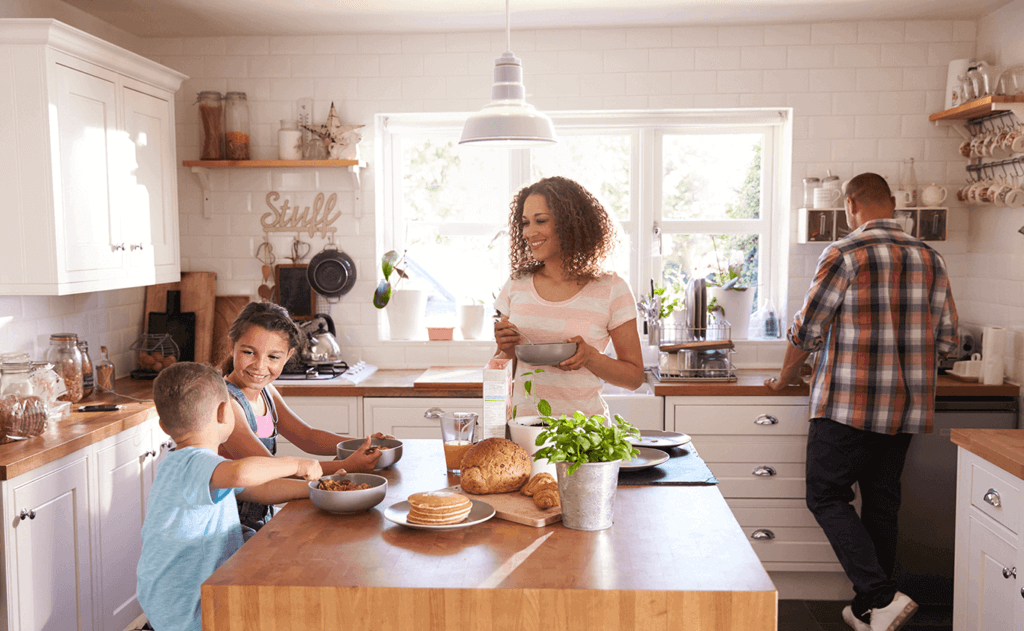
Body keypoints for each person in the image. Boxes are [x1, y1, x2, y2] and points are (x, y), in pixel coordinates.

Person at [766, 173, 958, 631]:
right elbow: (947, 342)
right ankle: (871, 611)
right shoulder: (930, 257)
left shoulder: (844, 253)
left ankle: (879, 595)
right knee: (881, 503)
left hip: (847, 404)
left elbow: (807, 330)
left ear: (851, 205)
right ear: (892, 205)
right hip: (905, 407)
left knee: (826, 496)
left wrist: (786, 375)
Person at [137, 362, 321, 631]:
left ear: (164, 426)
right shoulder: (196, 463)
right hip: (188, 605)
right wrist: (296, 464)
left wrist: (318, 490)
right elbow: (242, 472)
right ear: (225, 412)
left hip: (168, 598)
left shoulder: (186, 466)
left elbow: (264, 490)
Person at [219, 301, 387, 531]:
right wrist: (348, 465)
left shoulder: (267, 392)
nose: (260, 366)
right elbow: (269, 469)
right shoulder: (226, 403)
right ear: (232, 346)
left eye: (273, 357)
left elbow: (306, 435)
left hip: (261, 517)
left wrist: (359, 445)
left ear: (288, 356)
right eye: (249, 352)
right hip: (230, 526)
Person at [493, 176, 645, 419]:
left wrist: (591, 357)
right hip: (525, 433)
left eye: (540, 221)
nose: (529, 232)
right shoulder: (516, 285)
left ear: (570, 224)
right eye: (525, 223)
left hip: (584, 437)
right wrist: (505, 349)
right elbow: (503, 372)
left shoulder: (611, 288)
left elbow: (635, 378)